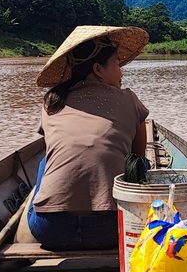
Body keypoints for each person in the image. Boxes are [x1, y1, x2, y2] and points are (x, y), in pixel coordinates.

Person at [24, 25, 150, 250]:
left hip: (50, 229)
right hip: (112, 228)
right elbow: (138, 162)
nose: (121, 71)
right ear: (98, 69)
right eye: (117, 64)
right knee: (136, 164)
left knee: (46, 160)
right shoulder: (129, 100)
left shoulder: (52, 101)